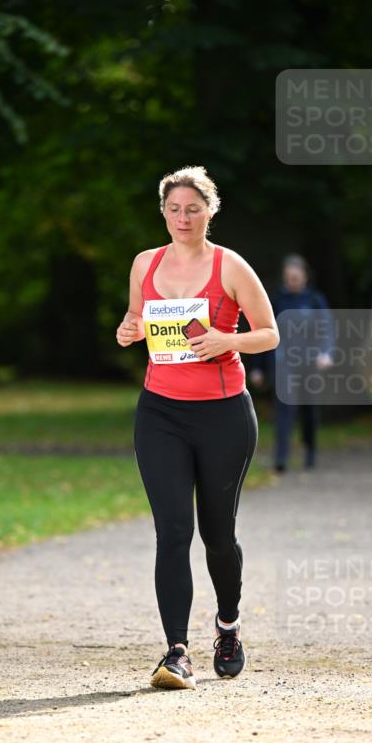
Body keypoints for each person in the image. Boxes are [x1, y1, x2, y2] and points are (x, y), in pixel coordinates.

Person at [116, 166, 279, 690]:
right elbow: (135, 321)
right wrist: (127, 329)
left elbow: (270, 334)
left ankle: (227, 626)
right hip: (160, 413)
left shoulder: (230, 266)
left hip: (224, 415)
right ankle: (176, 653)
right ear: (162, 213)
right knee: (172, 533)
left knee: (217, 535)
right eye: (174, 209)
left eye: (193, 208)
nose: (183, 218)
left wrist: (225, 341)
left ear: (210, 211)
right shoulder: (146, 262)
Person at [248, 254, 333, 473]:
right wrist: (258, 367)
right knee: (283, 411)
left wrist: (326, 353)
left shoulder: (315, 300)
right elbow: (262, 331)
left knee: (309, 411)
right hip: (284, 364)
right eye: (288, 277)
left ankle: (310, 450)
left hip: (310, 364)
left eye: (296, 276)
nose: (292, 281)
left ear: (305, 277)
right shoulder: (276, 301)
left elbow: (327, 331)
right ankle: (281, 457)